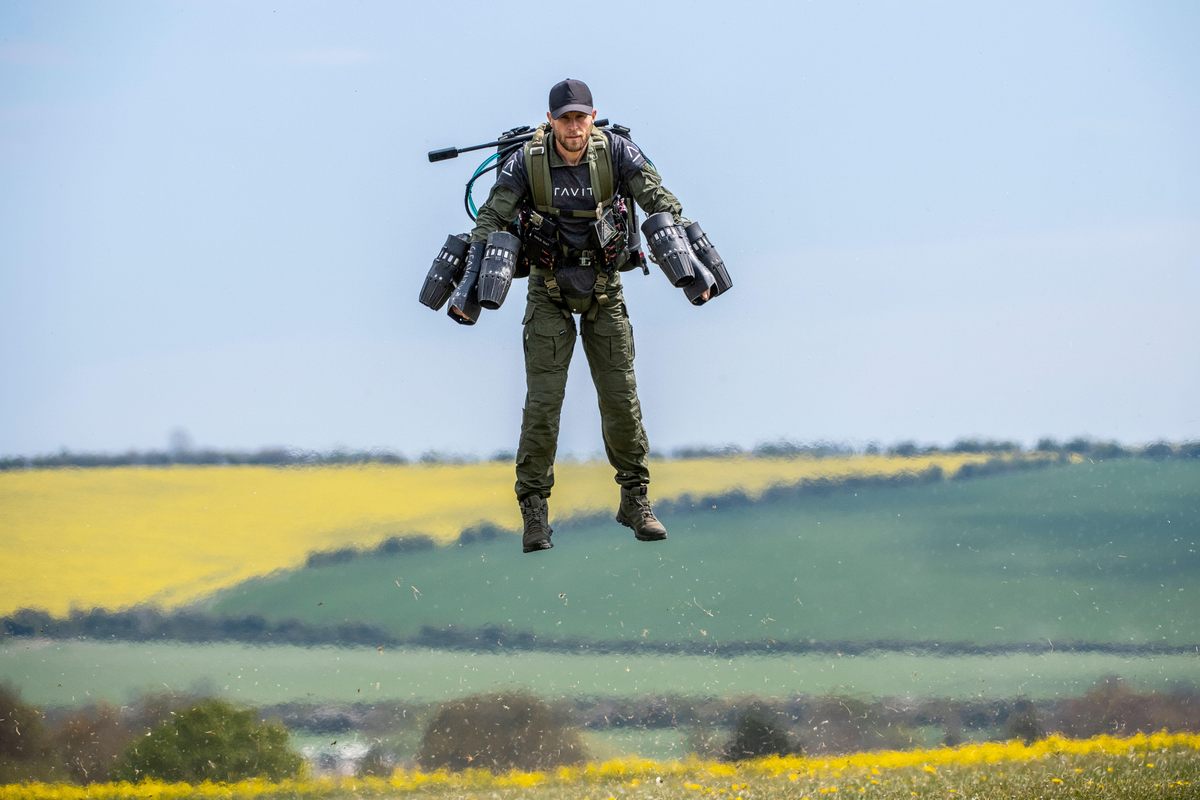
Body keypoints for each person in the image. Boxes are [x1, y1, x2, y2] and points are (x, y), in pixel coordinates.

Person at [469, 78, 698, 554]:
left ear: (593, 118)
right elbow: (492, 215)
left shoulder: (617, 153)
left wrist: (684, 237)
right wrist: (472, 261)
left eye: (581, 117)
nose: (573, 128)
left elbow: (657, 197)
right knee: (543, 406)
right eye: (565, 118)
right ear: (550, 121)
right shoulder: (525, 162)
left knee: (621, 399)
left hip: (604, 288)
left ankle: (635, 500)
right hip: (548, 290)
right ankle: (534, 512)